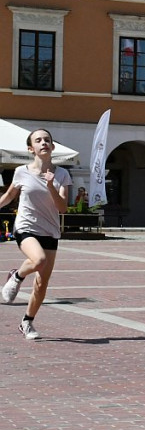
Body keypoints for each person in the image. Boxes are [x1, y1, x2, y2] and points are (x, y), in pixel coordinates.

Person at [0, 129, 72, 340]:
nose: (44, 143)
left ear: (52, 146)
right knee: (38, 259)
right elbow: (9, 196)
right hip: (26, 227)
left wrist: (50, 185)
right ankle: (17, 276)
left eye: (47, 140)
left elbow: (63, 208)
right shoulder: (21, 171)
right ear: (31, 148)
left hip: (50, 230)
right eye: (38, 140)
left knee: (41, 284)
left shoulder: (62, 175)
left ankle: (27, 322)